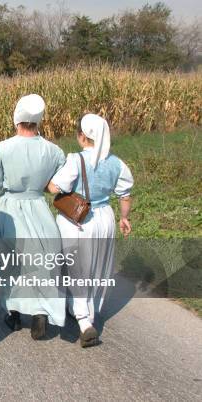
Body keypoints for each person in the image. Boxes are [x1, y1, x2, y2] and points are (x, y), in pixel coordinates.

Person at [47, 113, 133, 347]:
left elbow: (55, 187)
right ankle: (90, 310)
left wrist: (47, 182)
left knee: (75, 267)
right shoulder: (117, 163)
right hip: (105, 216)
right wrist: (124, 218)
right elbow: (125, 194)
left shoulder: (76, 160)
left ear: (82, 136)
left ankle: (83, 320)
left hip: (77, 218)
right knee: (98, 267)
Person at [0, 94, 66, 340]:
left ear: (17, 118)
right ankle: (40, 311)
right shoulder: (54, 151)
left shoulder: (2, 148)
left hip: (10, 207)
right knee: (41, 262)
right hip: (39, 208)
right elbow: (57, 185)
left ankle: (13, 311)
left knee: (10, 263)